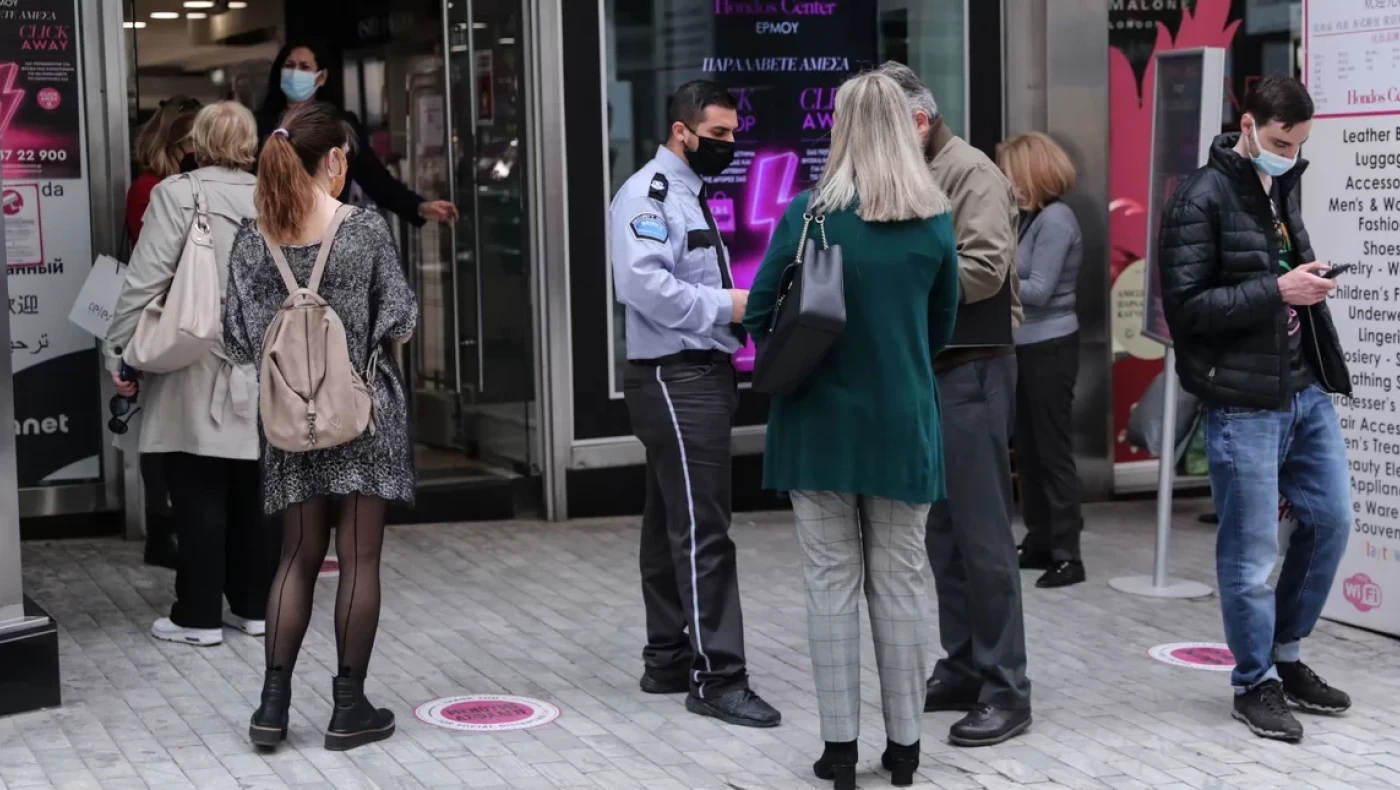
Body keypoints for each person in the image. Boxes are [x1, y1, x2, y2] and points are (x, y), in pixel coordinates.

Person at [744, 72, 959, 789]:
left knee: (830, 583)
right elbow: (942, 326)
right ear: (906, 126)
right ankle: (904, 751)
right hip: (903, 422)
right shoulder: (932, 220)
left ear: (839, 129)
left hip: (816, 424)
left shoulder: (810, 214)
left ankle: (839, 750)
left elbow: (759, 314)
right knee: (900, 582)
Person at [1158, 75, 1352, 743]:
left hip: (1302, 388)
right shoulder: (1198, 198)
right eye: (1278, 141)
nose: (1288, 153)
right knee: (1249, 554)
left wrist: (1307, 281)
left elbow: (1276, 280)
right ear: (1247, 123)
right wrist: (1279, 289)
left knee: (1331, 521)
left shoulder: (1280, 185)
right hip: (1242, 402)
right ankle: (1253, 682)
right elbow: (1186, 313)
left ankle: (1286, 655)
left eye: (1298, 145)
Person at [224, 102, 418, 751]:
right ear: (333, 160)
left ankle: (271, 707)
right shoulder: (362, 230)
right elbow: (400, 319)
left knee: (297, 558)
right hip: (363, 415)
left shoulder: (255, 237)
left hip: (290, 420)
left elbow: (238, 337)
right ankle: (348, 708)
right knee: (359, 559)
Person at [608, 79, 780, 729]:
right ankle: (718, 677)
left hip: (694, 374)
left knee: (669, 521)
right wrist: (730, 306)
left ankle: (667, 655)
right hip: (674, 377)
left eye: (735, 135)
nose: (730, 146)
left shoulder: (687, 195)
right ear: (682, 132)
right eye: (718, 135)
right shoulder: (648, 196)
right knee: (704, 529)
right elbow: (643, 285)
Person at [878, 61, 1032, 747]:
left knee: (983, 534)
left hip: (971, 369)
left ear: (918, 120)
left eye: (887, 129)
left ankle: (1007, 688)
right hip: (931, 369)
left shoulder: (970, 174)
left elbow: (983, 268)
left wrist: (898, 290)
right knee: (941, 533)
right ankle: (966, 661)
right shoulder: (913, 171)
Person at [107, 102, 278, 648]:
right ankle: (254, 606)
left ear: (197, 141)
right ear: (250, 143)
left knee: (198, 487)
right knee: (256, 488)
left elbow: (145, 279)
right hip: (266, 361)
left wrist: (122, 352)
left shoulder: (178, 194)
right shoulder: (276, 194)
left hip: (194, 359)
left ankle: (198, 615)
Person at [998, 132, 1087, 589]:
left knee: (1051, 450)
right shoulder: (1028, 218)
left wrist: (990, 275)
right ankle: (1038, 541)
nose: (1005, 179)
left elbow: (1038, 290)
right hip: (1025, 344)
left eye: (1010, 171)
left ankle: (1067, 554)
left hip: (1050, 345)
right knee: (1028, 451)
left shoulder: (1056, 220)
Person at [256, 40, 457, 227]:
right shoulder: (261, 124)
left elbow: (374, 177)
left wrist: (418, 207)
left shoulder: (340, 125)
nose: (295, 73)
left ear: (322, 77)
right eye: (289, 66)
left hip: (325, 237)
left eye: (304, 67)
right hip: (275, 232)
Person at [125, 95, 202, 572]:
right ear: (179, 142)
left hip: (183, 318)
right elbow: (157, 262)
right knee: (157, 428)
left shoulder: (177, 185)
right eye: (196, 139)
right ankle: (162, 528)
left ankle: (173, 525)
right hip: (162, 319)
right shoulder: (151, 188)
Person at [128, 96, 202, 244]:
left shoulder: (197, 183)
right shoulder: (147, 189)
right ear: (170, 144)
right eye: (193, 142)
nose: (201, 150)